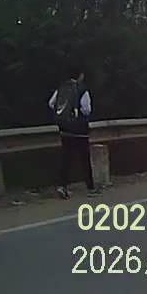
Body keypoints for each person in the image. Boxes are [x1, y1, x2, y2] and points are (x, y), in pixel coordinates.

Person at [50, 67, 96, 198]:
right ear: (80, 75)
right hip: (80, 130)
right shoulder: (82, 89)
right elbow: (86, 109)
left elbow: (51, 103)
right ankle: (90, 188)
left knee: (66, 158)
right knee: (84, 158)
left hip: (65, 129)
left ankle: (62, 186)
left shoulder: (62, 88)